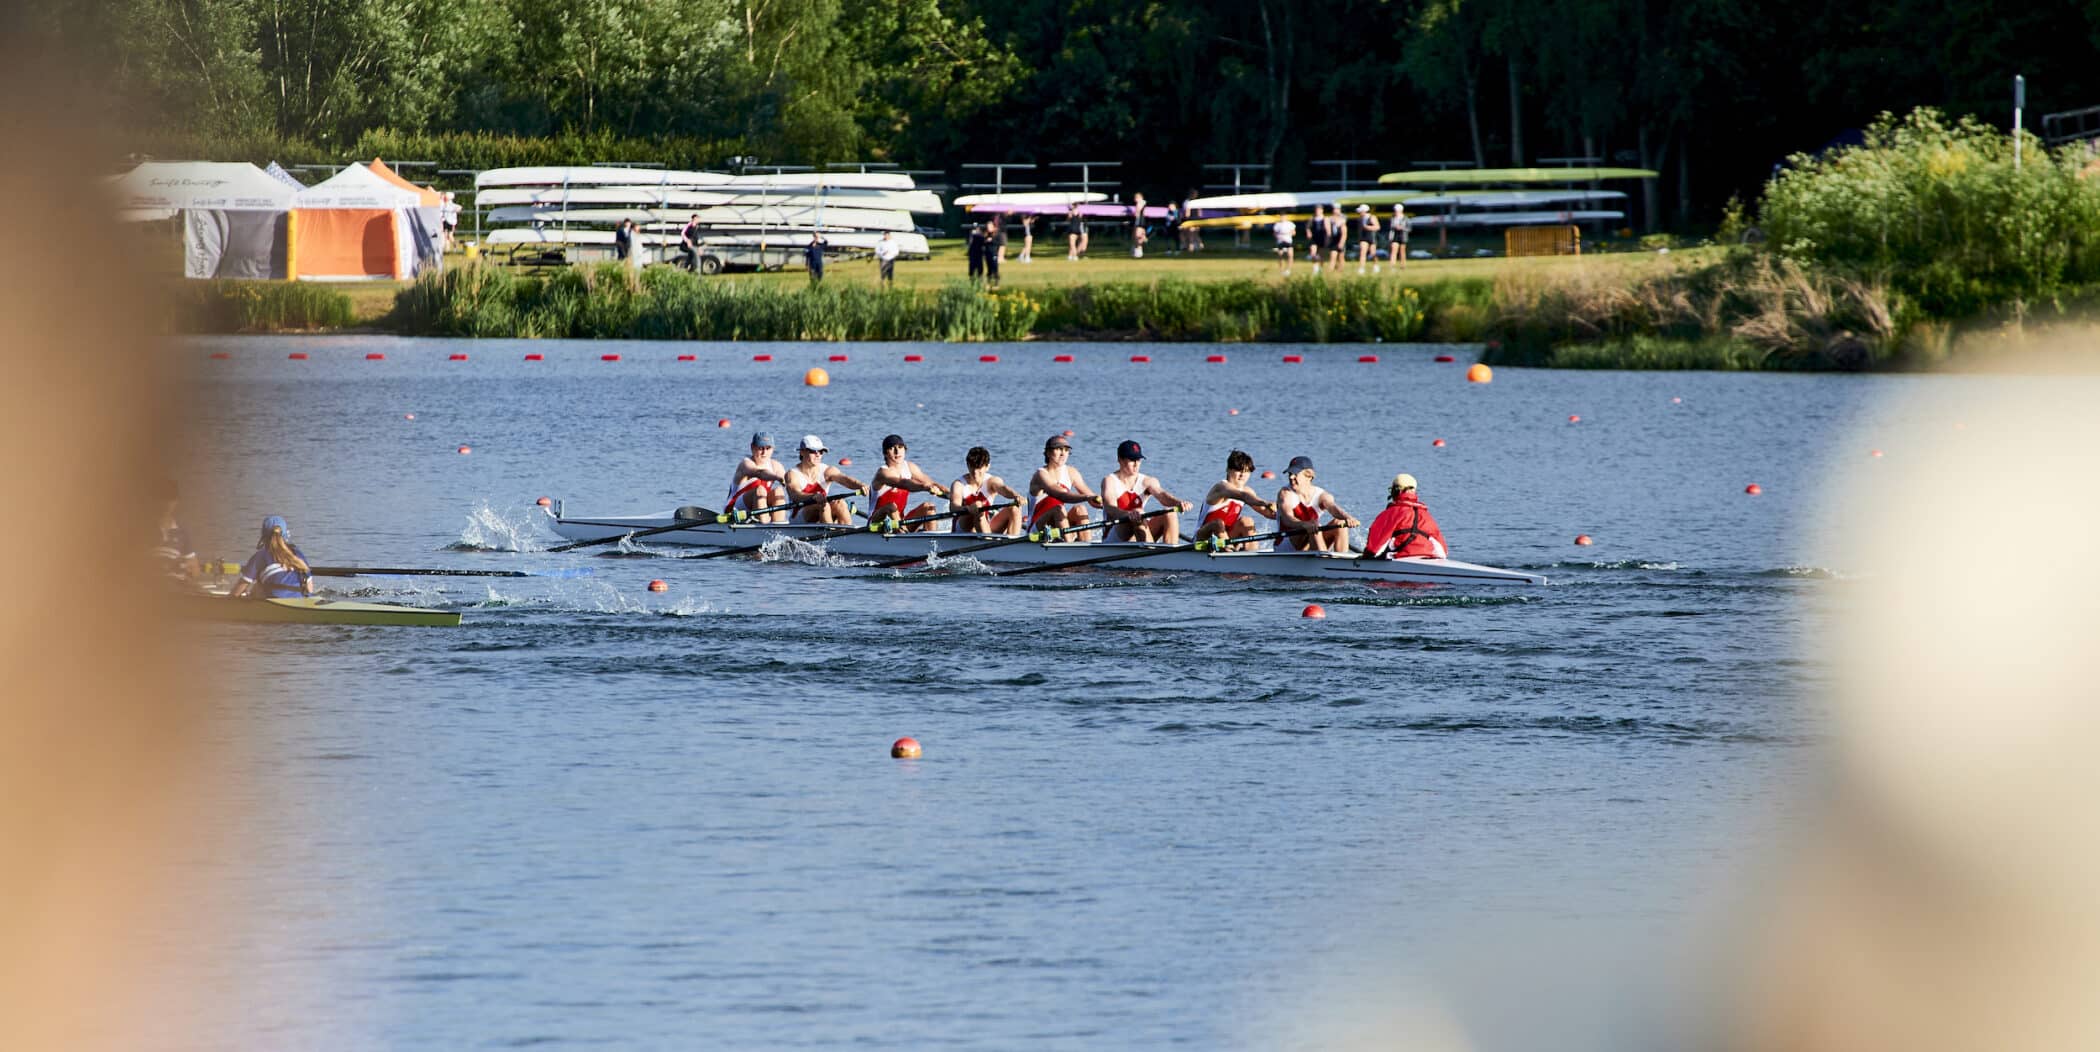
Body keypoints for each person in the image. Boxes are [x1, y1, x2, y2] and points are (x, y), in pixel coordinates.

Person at [1099, 439, 1192, 543]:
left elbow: (1162, 495)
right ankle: (1150, 553)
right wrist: (1128, 514)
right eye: (1132, 460)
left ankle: (1170, 553)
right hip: (1115, 535)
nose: (1136, 464)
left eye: (1138, 460)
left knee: (1170, 513)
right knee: (1139, 513)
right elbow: (1110, 509)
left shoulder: (1148, 481)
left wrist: (1178, 503)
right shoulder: (1109, 481)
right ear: (1120, 460)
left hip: (1139, 528)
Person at [1194, 450, 1280, 551]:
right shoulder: (1221, 487)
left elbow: (1268, 513)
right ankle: (1230, 552)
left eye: (1246, 471)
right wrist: (1265, 503)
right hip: (1203, 538)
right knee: (1218, 523)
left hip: (1226, 537)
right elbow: (1244, 496)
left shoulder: (1248, 491)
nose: (1242, 475)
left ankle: (1252, 557)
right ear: (1228, 469)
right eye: (1239, 470)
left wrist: (1286, 514)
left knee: (1247, 521)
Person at [1274, 456, 1359, 553]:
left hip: (1311, 539)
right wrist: (1303, 524)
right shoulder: (1285, 493)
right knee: (1314, 525)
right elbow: (1287, 519)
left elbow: (1333, 508)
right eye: (1290, 473)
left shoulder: (1321, 495)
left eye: (1295, 474)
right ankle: (1323, 561)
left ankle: (1341, 562)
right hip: (1287, 545)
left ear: (1309, 476)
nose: (1291, 477)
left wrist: (1348, 518)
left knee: (1340, 523)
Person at [868, 434, 948, 531]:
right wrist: (925, 487)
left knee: (929, 507)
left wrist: (954, 496)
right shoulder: (883, 473)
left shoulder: (910, 467)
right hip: (876, 522)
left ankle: (932, 541)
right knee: (891, 506)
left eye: (900, 447)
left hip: (900, 521)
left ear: (905, 450)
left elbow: (932, 483)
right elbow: (904, 483)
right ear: (885, 453)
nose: (897, 452)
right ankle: (905, 537)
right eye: (892, 448)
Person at [783, 435, 866, 524]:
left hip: (821, 510)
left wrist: (861, 485)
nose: (818, 454)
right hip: (800, 516)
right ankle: (828, 533)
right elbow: (795, 494)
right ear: (802, 452)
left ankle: (848, 534)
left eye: (821, 451)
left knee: (840, 503)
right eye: (813, 451)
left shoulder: (827, 471)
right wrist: (813, 496)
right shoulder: (792, 474)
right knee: (824, 505)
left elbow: (846, 480)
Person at [1364, 473, 1449, 559]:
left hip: (1400, 557)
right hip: (1427, 556)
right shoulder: (1426, 516)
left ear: (1396, 491)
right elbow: (1443, 552)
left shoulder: (1390, 513)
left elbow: (1374, 549)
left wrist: (1366, 558)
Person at [1028, 433, 1102, 531]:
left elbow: (1093, 501)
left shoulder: (1072, 472)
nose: (1063, 453)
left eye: (1066, 450)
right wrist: (1087, 497)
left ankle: (1085, 544)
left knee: (1080, 509)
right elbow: (1062, 495)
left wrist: (1110, 506)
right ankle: (1068, 543)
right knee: (1058, 509)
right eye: (1058, 449)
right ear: (1048, 453)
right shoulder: (1041, 475)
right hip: (1037, 527)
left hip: (1057, 523)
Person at [227, 515, 313, 599]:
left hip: (275, 605)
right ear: (285, 534)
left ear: (264, 536)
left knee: (257, 588)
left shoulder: (260, 556)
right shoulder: (297, 553)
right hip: (300, 602)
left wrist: (227, 601)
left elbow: (238, 591)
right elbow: (310, 589)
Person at [949, 446, 1025, 535]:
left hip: (984, 526)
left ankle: (1013, 544)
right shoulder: (958, 484)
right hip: (963, 528)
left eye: (979, 467)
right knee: (978, 506)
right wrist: (968, 508)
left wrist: (1016, 496)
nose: (975, 472)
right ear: (968, 465)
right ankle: (989, 541)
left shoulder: (992, 481)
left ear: (987, 467)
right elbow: (954, 507)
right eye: (972, 467)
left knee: (1015, 509)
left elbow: (1003, 489)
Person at [727, 432, 788, 522]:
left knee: (778, 491)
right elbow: (760, 473)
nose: (764, 452)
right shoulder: (746, 463)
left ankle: (778, 527)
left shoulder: (776, 466)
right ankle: (764, 527)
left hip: (758, 506)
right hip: (735, 509)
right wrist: (777, 477)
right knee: (760, 490)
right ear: (752, 447)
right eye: (760, 448)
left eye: (768, 448)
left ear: (773, 449)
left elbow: (789, 485)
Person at [155, 478, 201, 584]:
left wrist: (185, 566)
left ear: (176, 501)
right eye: (163, 498)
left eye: (171, 499)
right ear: (155, 500)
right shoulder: (143, 530)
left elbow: (195, 571)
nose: (167, 504)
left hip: (177, 588)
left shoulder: (182, 533)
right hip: (151, 589)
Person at [1353, 204, 1380, 273]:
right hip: (1363, 238)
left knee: (1372, 253)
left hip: (1371, 237)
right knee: (1362, 252)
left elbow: (1377, 227)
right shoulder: (1360, 219)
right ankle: (1361, 268)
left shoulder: (1372, 217)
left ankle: (1376, 265)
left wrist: (1368, 227)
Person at [1389, 203, 1410, 268]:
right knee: (1393, 250)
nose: (1395, 212)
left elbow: (1409, 228)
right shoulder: (1393, 218)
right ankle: (1392, 266)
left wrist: (1402, 228)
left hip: (1402, 236)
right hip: (1395, 235)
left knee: (1402, 251)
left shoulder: (1405, 218)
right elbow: (1391, 227)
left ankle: (1403, 265)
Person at [984, 217, 1003, 287]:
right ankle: (988, 283)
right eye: (987, 226)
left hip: (994, 254)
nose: (988, 228)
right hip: (987, 254)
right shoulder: (986, 235)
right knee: (989, 269)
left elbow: (1000, 245)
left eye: (990, 226)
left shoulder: (997, 235)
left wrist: (1000, 256)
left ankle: (996, 283)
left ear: (993, 227)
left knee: (995, 269)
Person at [1307, 204, 1326, 272]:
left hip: (1322, 237)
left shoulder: (1325, 219)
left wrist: (1328, 238)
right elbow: (1308, 228)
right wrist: (1308, 232)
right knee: (1313, 253)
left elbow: (1328, 229)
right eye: (1316, 209)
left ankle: (1321, 268)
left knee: (1321, 254)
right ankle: (1315, 268)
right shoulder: (1312, 219)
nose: (1317, 211)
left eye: (1319, 209)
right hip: (1314, 238)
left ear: (1322, 210)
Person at [1130, 193, 1147, 259]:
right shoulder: (1142, 202)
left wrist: (1135, 213)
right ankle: (1135, 251)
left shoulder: (1141, 202)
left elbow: (1137, 212)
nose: (1135, 199)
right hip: (1139, 221)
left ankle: (1138, 252)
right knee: (1135, 236)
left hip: (1140, 222)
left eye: (1136, 198)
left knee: (1138, 236)